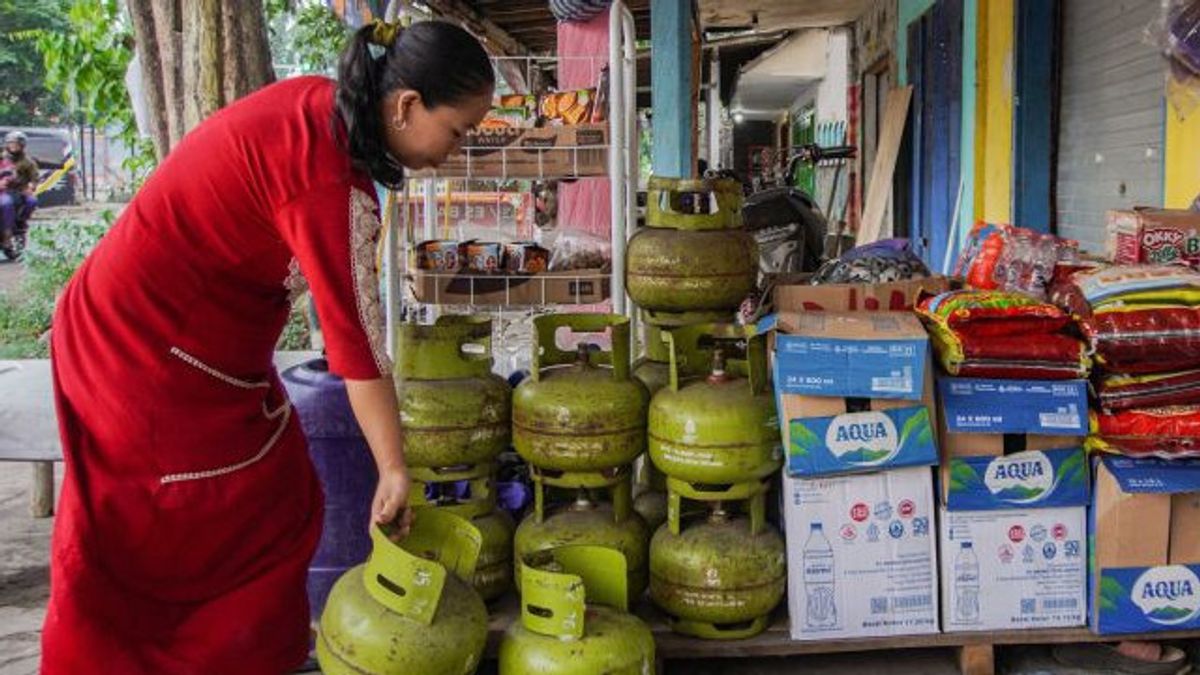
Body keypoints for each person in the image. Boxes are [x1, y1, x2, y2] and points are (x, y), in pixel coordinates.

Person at [42, 19, 493, 674]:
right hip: (140, 348)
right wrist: (395, 468)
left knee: (281, 497)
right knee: (172, 529)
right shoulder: (323, 175)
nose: (454, 151)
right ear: (406, 105)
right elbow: (355, 343)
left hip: (199, 346)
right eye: (458, 131)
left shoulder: (327, 116)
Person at [0, 130, 39, 256]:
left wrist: (31, 187)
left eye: (16, 144)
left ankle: (21, 223)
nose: (13, 146)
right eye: (11, 143)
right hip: (3, 191)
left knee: (32, 201)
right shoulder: (2, 158)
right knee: (6, 204)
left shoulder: (28, 161)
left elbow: (34, 177)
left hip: (19, 190)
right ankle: (7, 234)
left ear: (22, 145)